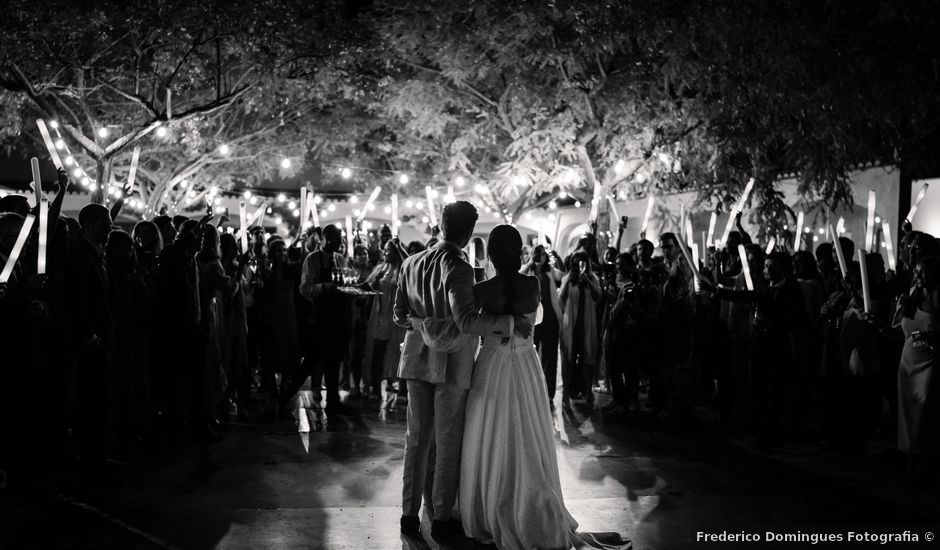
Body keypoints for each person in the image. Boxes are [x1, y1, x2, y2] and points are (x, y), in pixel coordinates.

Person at [459, 224, 630, 550]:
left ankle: (488, 501)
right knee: (527, 431)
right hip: (524, 362)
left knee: (489, 429)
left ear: (492, 253)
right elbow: (534, 320)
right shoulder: (532, 283)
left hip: (492, 363)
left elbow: (473, 325)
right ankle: (531, 495)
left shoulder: (482, 289)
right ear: (518, 250)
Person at [393, 201, 530, 541]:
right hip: (452, 362)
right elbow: (466, 321)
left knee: (417, 438)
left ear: (440, 225)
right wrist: (510, 324)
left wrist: (421, 323)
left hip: (415, 359)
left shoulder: (410, 263)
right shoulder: (459, 267)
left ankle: (409, 515)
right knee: (448, 439)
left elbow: (398, 314)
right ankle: (441, 517)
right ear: (469, 233)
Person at [65, 204, 115, 479]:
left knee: (102, 402)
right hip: (90, 344)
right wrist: (90, 336)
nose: (109, 228)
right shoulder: (81, 257)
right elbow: (75, 302)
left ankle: (99, 456)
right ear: (87, 226)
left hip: (102, 340)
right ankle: (91, 463)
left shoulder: (97, 256)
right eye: (103, 224)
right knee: (91, 403)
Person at [295, 224, 350, 415]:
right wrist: (322, 288)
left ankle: (333, 400)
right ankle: (284, 397)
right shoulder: (312, 259)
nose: (338, 243)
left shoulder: (340, 259)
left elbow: (346, 283)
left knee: (334, 360)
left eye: (339, 239)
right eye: (334, 239)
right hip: (320, 316)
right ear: (324, 239)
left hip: (337, 316)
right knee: (311, 360)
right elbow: (304, 288)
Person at [364, 238, 409, 408]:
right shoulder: (381, 268)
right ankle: (375, 389)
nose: (385, 253)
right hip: (381, 317)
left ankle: (403, 391)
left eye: (388, 250)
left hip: (398, 318)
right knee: (378, 353)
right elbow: (367, 285)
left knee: (401, 355)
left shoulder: (403, 268)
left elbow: (409, 264)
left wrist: (399, 247)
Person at [559, 250, 602, 408]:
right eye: (575, 264)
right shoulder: (567, 279)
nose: (578, 266)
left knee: (587, 359)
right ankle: (565, 395)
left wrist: (588, 282)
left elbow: (598, 297)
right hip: (570, 325)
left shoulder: (593, 279)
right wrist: (569, 281)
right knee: (567, 359)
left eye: (581, 263)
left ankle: (588, 392)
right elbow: (560, 300)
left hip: (587, 324)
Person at [521, 245, 564, 402]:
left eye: (543, 254)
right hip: (532, 317)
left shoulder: (550, 272)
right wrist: (530, 263)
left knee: (550, 356)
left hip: (550, 317)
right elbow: (518, 275)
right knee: (531, 354)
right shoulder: (528, 272)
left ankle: (549, 393)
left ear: (547, 256)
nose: (540, 256)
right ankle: (532, 390)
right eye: (537, 253)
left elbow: (564, 275)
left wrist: (557, 257)